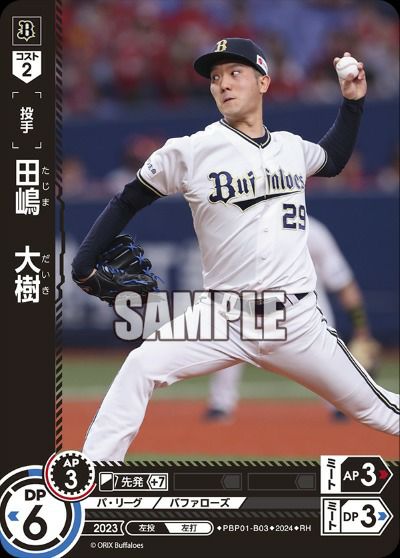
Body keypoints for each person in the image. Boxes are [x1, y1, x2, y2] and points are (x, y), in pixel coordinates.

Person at [72, 38, 399, 461]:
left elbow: (332, 159)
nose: (223, 83)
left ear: (263, 82)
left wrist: (352, 102)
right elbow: (127, 199)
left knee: (379, 411)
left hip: (296, 322)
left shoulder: (291, 148)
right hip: (221, 317)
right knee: (140, 366)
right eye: (215, 77)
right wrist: (84, 261)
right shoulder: (190, 151)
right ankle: (91, 476)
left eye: (235, 73)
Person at [204, 215, 381, 422]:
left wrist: (362, 331)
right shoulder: (247, 227)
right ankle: (220, 403)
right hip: (258, 303)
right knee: (233, 332)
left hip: (305, 307)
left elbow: (344, 285)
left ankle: (340, 405)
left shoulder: (313, 232)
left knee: (326, 353)